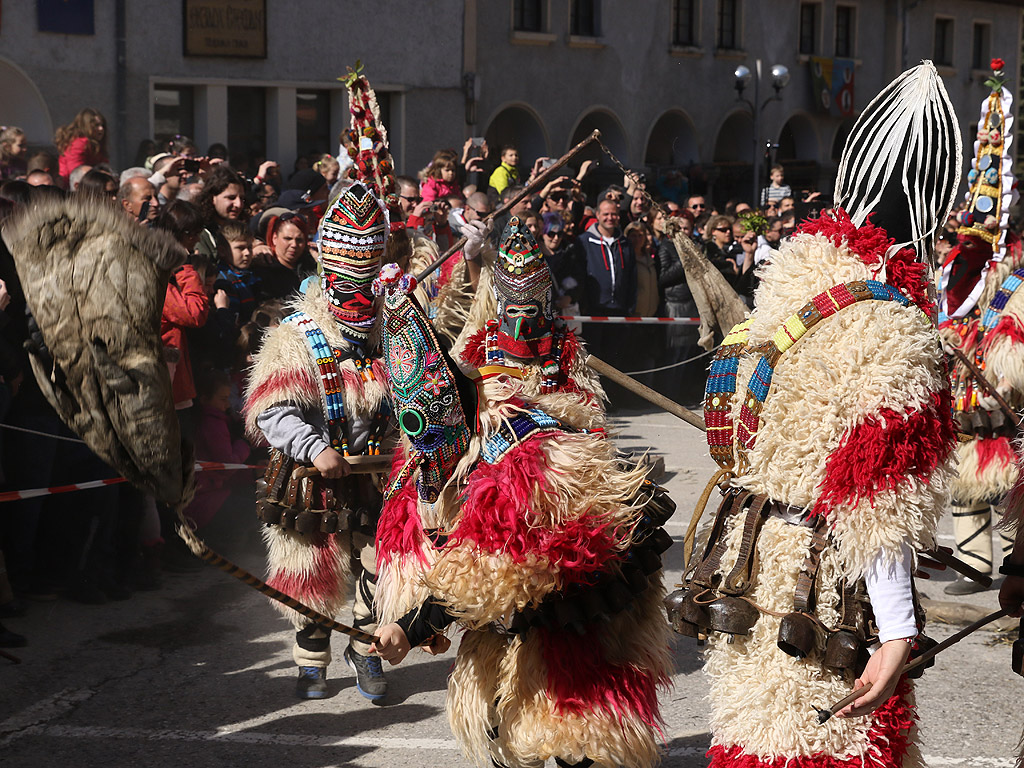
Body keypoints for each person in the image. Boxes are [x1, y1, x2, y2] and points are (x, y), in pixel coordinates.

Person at [667, 61, 961, 768]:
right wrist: (897, 634)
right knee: (830, 743)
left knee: (761, 733)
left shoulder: (790, 283)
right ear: (927, 208)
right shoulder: (892, 329)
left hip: (756, 563)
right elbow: (875, 497)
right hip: (824, 589)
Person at [371, 265, 673, 768]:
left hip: (581, 590)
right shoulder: (423, 463)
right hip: (520, 601)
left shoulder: (530, 454)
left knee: (578, 728)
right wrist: (398, 617)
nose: (430, 459)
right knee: (502, 724)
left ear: (461, 408)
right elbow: (428, 553)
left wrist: (416, 625)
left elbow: (497, 576)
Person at [244, 67, 398, 702]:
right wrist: (314, 448)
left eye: (369, 274)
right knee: (313, 572)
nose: (359, 289)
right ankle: (312, 661)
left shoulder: (393, 326)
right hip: (313, 477)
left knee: (372, 572)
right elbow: (271, 409)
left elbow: (423, 388)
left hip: (378, 472)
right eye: (350, 276)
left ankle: (369, 657)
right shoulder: (299, 331)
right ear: (331, 269)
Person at [936, 60, 1023, 594]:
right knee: (968, 491)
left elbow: (1015, 352)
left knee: (1014, 494)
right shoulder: (949, 282)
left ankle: (1018, 564)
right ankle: (974, 564)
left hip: (1007, 416)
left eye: (975, 246)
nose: (962, 253)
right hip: (968, 413)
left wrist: (1003, 370)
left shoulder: (1013, 289)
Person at [253, 211, 315, 300]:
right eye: (288, 238)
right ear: (274, 238)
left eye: (299, 240)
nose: (294, 244)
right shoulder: (263, 269)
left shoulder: (310, 266)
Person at [216, 220, 260, 319]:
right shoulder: (224, 281)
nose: (247, 253)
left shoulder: (250, 274)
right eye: (240, 248)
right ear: (222, 251)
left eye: (249, 247)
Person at [56, 108, 109, 183]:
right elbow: (76, 172)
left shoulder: (95, 145)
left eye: (102, 125)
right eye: (96, 125)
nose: (101, 129)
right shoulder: (79, 144)